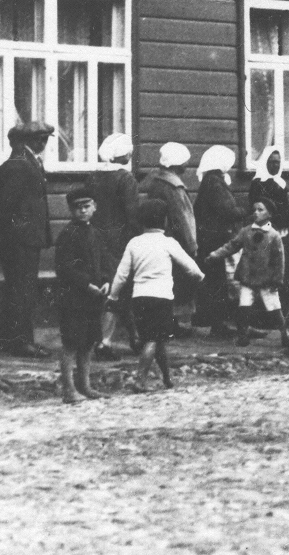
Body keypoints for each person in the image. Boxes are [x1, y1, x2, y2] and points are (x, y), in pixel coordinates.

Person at [110, 198, 207, 392]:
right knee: (153, 339)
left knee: (158, 340)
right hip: (161, 297)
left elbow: (122, 274)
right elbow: (190, 267)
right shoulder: (168, 242)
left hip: (139, 298)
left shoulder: (134, 243)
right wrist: (200, 277)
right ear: (165, 221)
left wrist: (113, 295)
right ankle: (140, 380)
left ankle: (167, 378)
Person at [0, 120, 54, 357]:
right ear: (30, 141)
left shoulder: (21, 164)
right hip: (20, 240)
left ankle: (9, 339)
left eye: (44, 140)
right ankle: (21, 342)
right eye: (40, 140)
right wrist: (17, 228)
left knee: (18, 288)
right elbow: (0, 206)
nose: (43, 144)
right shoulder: (20, 166)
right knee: (22, 289)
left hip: (20, 238)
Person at [206, 197, 289, 348]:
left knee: (274, 307)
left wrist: (278, 279)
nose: (256, 213)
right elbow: (232, 246)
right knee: (244, 306)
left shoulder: (273, 235)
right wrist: (215, 255)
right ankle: (243, 335)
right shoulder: (245, 231)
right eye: (254, 210)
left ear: (269, 214)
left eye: (261, 210)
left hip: (267, 279)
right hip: (247, 276)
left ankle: (285, 335)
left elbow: (280, 260)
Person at [52, 188, 112, 402]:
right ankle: (69, 389)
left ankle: (85, 386)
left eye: (87, 206)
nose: (83, 211)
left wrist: (105, 281)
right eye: (78, 208)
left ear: (94, 207)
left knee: (88, 343)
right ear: (70, 210)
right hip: (73, 299)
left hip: (92, 299)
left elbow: (104, 261)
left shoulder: (96, 233)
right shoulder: (68, 234)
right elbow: (65, 268)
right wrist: (86, 284)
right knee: (71, 343)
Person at [87, 133, 141, 358]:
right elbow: (133, 214)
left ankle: (134, 336)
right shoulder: (126, 179)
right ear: (125, 155)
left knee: (109, 285)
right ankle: (105, 342)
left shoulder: (93, 177)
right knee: (118, 288)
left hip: (95, 238)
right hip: (120, 239)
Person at [139, 142, 197, 335]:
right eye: (184, 162)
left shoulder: (155, 182)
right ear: (176, 164)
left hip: (156, 237)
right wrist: (190, 244)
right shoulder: (173, 187)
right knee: (175, 284)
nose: (187, 166)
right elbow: (182, 217)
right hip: (173, 240)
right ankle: (171, 325)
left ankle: (167, 323)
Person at [194, 145, 244, 336]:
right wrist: (243, 211)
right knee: (218, 283)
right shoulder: (215, 183)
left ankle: (219, 323)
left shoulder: (209, 181)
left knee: (216, 282)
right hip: (215, 239)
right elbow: (227, 211)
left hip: (209, 238)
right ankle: (218, 326)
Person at [248, 145, 289, 234]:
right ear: (265, 162)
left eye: (278, 162)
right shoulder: (258, 182)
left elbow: (285, 207)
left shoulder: (281, 183)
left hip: (280, 227)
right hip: (262, 227)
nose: (276, 165)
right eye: (272, 162)